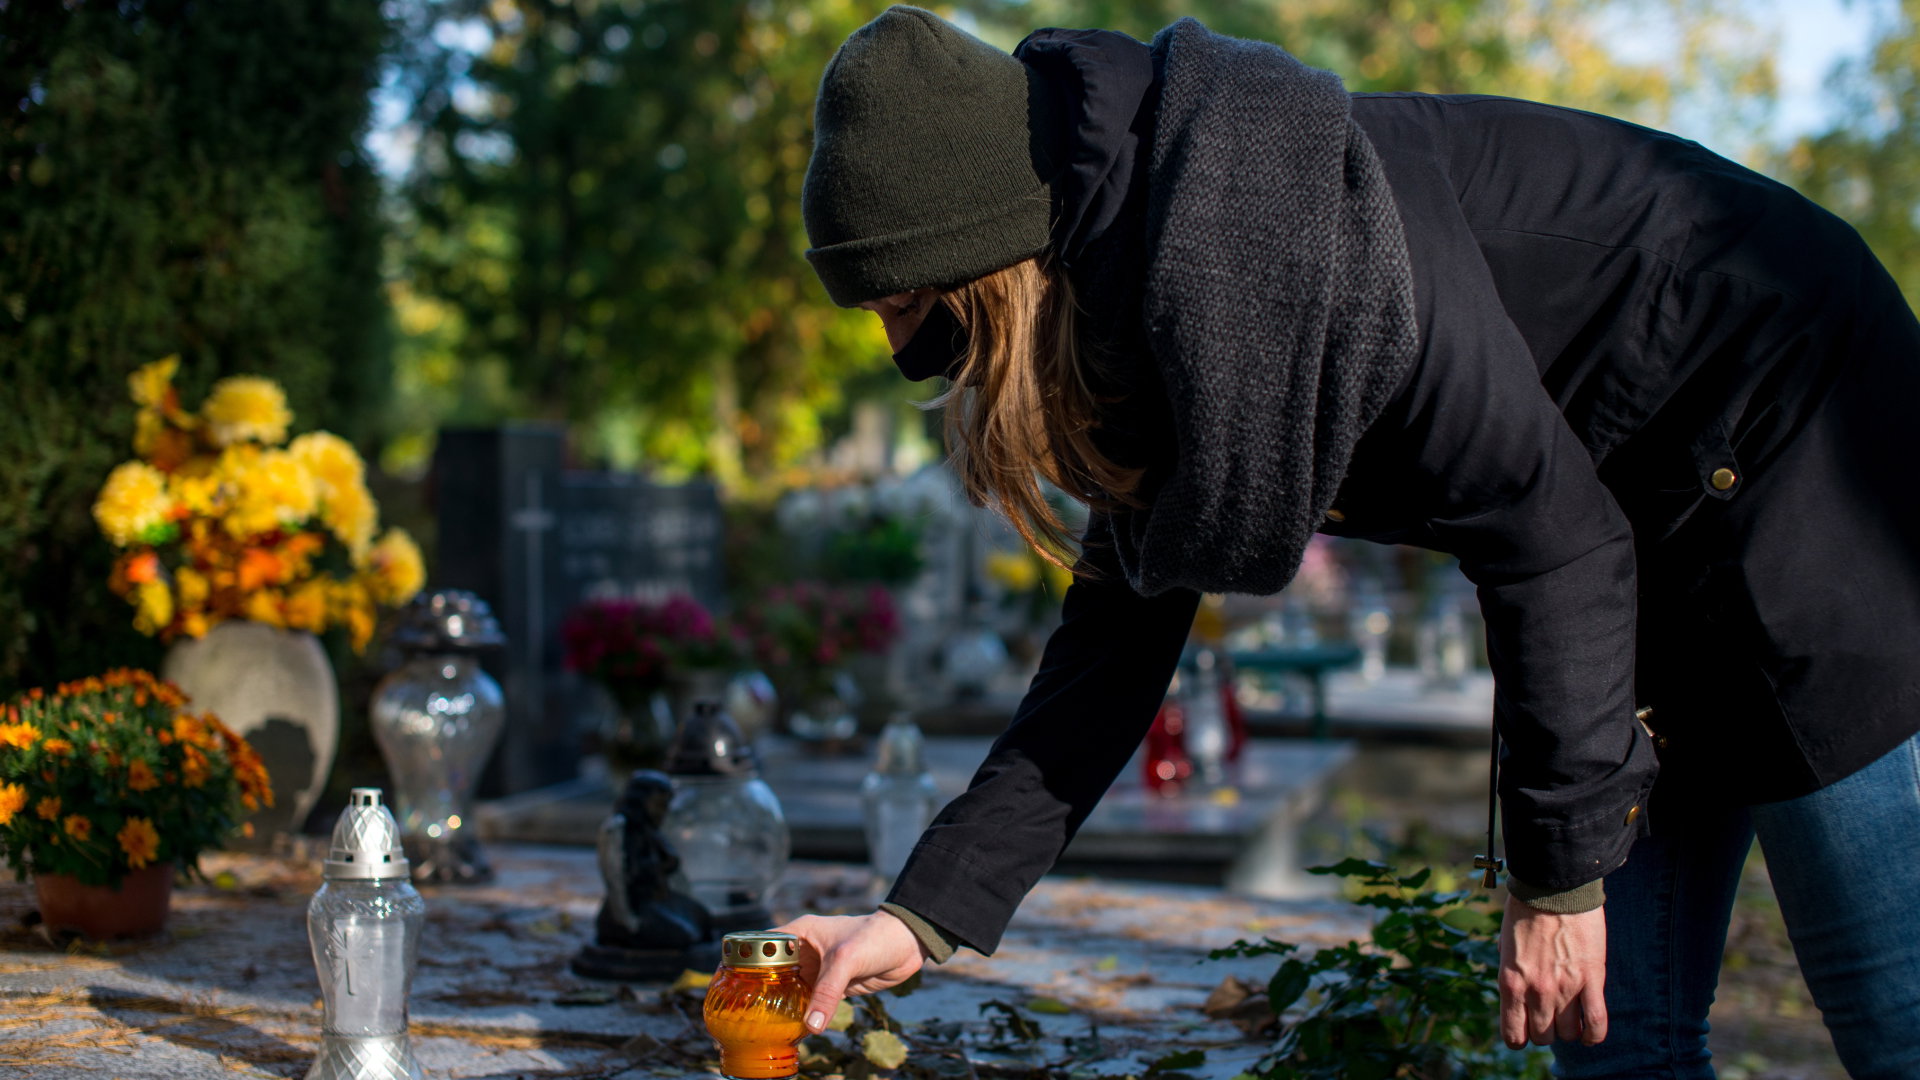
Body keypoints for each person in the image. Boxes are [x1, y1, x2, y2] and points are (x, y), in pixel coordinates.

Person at [775, 8, 1920, 1078]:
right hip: (1621, 525)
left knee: (1888, 1005)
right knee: (1617, 1044)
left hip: (1798, 435)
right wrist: (921, 914)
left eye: (902, 302)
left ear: (987, 269)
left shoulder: (1285, 243)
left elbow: (1551, 541)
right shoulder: (1135, 306)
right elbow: (1113, 645)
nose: (898, 346)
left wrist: (1559, 878)